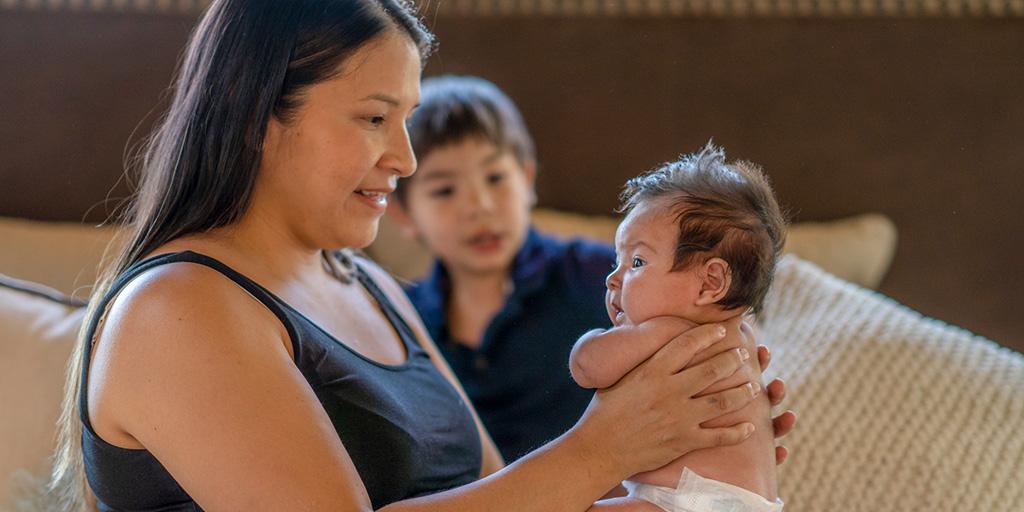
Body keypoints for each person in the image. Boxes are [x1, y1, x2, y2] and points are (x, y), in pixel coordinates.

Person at [46, 1, 779, 511]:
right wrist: (603, 449)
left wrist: (697, 465)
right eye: (373, 117)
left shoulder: (370, 287)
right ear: (258, 114)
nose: (403, 157)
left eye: (407, 121)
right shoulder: (177, 310)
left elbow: (510, 495)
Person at [391, 75, 796, 462]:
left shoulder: (598, 273)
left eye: (495, 177)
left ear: (527, 177)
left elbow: (711, 315)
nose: (479, 206)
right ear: (402, 213)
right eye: (445, 189)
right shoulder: (401, 316)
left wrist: (734, 402)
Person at [570, 143, 786, 511]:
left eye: (637, 261)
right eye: (617, 260)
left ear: (710, 282)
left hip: (689, 501)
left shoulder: (669, 332)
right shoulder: (742, 338)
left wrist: (594, 340)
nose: (613, 279)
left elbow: (587, 366)